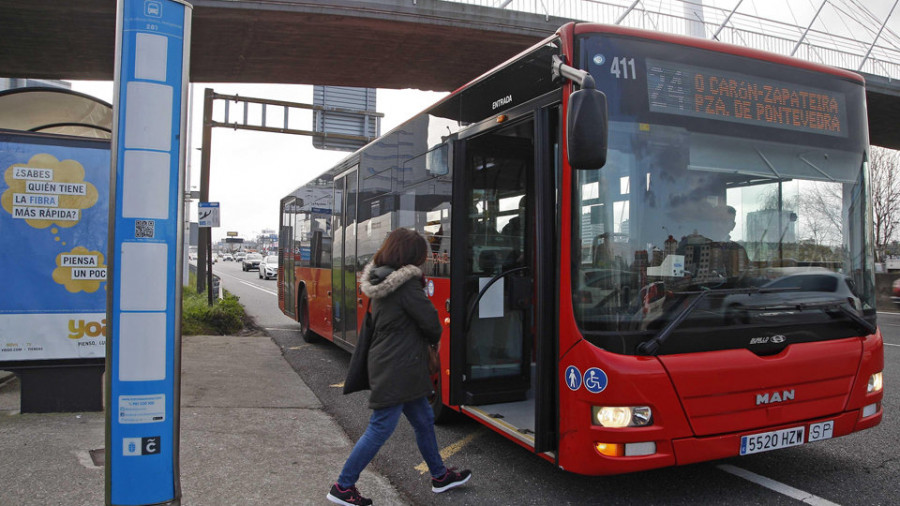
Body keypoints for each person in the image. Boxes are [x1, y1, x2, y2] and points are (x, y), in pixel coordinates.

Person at [327, 228, 472, 506]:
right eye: (421, 255)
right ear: (409, 256)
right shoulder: (405, 285)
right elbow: (430, 321)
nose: (423, 260)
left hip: (398, 364)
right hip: (398, 367)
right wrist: (432, 340)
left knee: (423, 420)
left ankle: (440, 476)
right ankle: (343, 486)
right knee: (380, 427)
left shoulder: (381, 279)